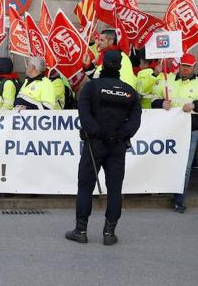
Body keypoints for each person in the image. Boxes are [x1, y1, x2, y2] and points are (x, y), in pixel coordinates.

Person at [66, 50, 141, 246]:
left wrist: (99, 133)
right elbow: (135, 121)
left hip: (94, 144)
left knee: (85, 186)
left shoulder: (91, 87)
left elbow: (84, 115)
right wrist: (118, 135)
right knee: (115, 189)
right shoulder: (129, 92)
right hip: (117, 145)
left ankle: (80, 230)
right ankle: (109, 233)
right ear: (120, 67)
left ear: (103, 65)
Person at [151, 53, 198, 213]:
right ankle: (158, 189)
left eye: (189, 66)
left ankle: (179, 200)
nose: (185, 69)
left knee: (185, 166)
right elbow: (152, 98)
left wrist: (194, 105)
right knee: (164, 160)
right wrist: (160, 103)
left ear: (194, 67)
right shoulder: (167, 79)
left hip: (190, 130)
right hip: (168, 129)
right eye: (183, 65)